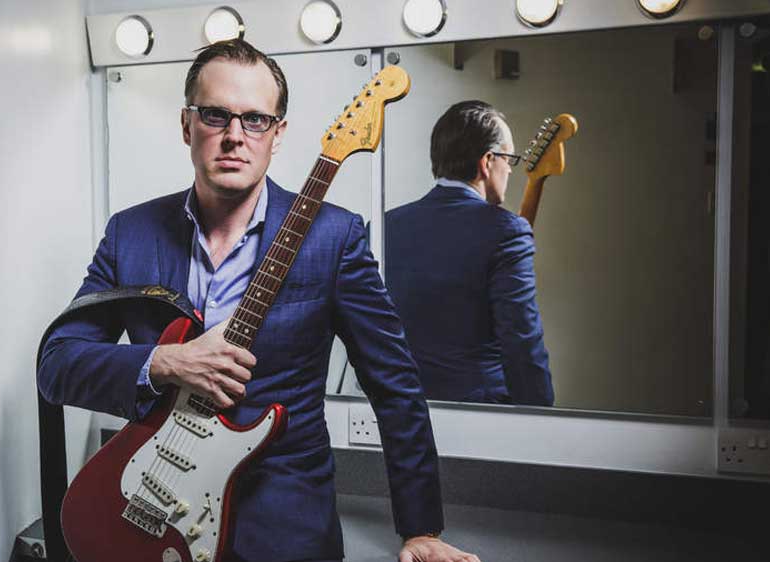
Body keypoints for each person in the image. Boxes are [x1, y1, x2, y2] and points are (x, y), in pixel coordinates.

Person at [37, 40, 479, 562]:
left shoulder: (334, 238)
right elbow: (58, 363)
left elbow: (395, 386)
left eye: (255, 120)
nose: (234, 137)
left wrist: (420, 527)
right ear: (186, 125)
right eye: (215, 115)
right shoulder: (131, 233)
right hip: (143, 503)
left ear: (278, 134)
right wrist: (166, 361)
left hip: (282, 524)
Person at [384, 101, 554, 406]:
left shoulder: (384, 226)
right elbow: (521, 342)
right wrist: (541, 421)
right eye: (509, 159)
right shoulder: (507, 231)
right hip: (481, 416)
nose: (510, 169)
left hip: (402, 411)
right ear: (487, 162)